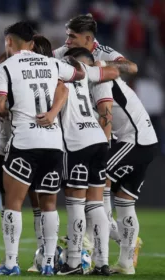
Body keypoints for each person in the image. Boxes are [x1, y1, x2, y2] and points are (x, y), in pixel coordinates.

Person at [0, 21, 81, 276]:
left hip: (25, 142)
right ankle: (49, 264)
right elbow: (77, 76)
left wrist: (10, 110)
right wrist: (52, 111)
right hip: (54, 142)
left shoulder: (6, 67)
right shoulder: (52, 64)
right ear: (32, 43)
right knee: (49, 204)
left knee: (13, 202)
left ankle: (10, 264)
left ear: (9, 41)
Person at [53, 13, 142, 263]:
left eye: (72, 37)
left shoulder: (104, 53)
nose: (67, 41)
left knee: (95, 195)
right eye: (67, 35)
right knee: (93, 197)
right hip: (90, 130)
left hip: (116, 133)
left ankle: (90, 248)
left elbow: (132, 68)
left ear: (89, 39)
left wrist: (99, 68)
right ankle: (113, 244)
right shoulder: (62, 53)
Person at [55, 47, 120, 276]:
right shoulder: (85, 70)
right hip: (98, 138)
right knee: (96, 204)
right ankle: (102, 262)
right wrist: (99, 67)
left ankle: (73, 263)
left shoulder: (59, 71)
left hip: (77, 143)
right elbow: (113, 72)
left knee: (75, 203)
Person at [89, 62, 158, 275]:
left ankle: (94, 252)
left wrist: (101, 150)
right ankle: (126, 263)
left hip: (133, 140)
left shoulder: (100, 80)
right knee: (125, 202)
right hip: (145, 141)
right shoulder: (101, 75)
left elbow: (106, 118)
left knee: (95, 184)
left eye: (73, 37)